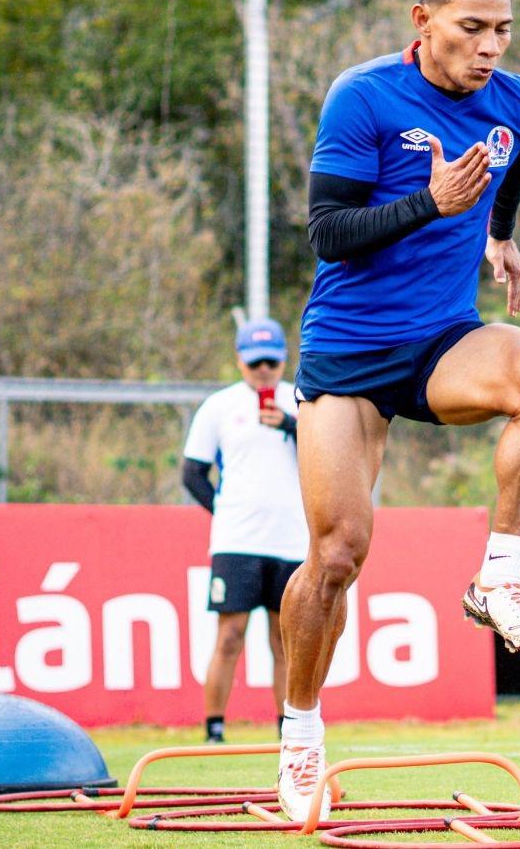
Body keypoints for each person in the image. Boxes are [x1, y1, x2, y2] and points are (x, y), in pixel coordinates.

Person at [277, 0, 520, 822]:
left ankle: (500, 579)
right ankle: (300, 735)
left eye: (503, 30)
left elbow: (514, 158)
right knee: (336, 558)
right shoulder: (363, 97)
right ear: (423, 21)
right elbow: (330, 234)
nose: (489, 48)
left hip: (445, 338)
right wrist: (433, 205)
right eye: (470, 29)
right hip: (349, 352)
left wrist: (502, 234)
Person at [182, 318, 307, 743]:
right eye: (255, 362)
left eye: (271, 361)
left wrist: (290, 425)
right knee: (230, 635)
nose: (263, 370)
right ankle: (215, 729)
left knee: (283, 640)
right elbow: (193, 472)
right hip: (237, 541)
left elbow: (327, 455)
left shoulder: (302, 400)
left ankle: (287, 730)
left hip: (292, 539)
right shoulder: (218, 406)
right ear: (239, 360)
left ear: (284, 359)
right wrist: (224, 511)